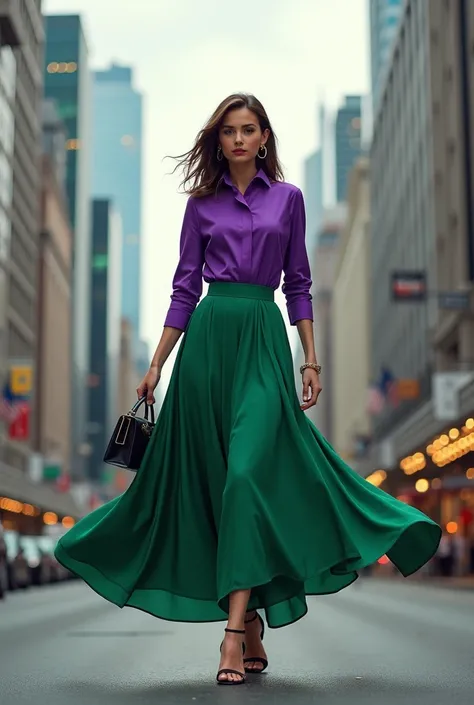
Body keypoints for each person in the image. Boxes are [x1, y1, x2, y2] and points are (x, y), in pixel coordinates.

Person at [55, 93, 441, 686]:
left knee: (246, 477)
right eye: (229, 131)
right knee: (216, 489)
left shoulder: (289, 199)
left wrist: (311, 360)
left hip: (262, 343)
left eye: (248, 130)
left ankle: (232, 633)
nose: (238, 139)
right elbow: (184, 288)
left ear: (264, 138)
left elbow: (301, 284)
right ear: (220, 140)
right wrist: (157, 364)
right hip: (207, 348)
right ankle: (250, 614)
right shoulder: (201, 205)